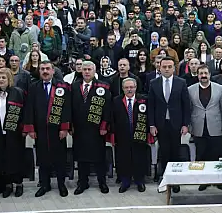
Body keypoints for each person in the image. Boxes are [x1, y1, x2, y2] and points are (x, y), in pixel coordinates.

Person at [23, 61, 72, 197]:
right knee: (43, 158)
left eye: (47, 69)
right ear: (39, 71)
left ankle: (61, 184)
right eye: (42, 69)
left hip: (57, 130)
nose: (45, 71)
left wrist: (64, 128)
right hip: (40, 130)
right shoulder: (34, 87)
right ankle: (45, 184)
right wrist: (30, 128)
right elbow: (29, 109)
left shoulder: (63, 87)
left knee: (60, 158)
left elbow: (67, 108)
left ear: (53, 71)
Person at [148, 57, 190, 192]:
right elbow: (151, 106)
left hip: (176, 123)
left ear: (174, 68)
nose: (166, 69)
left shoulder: (181, 82)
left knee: (175, 153)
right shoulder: (154, 83)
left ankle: (175, 180)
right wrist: (152, 125)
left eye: (169, 66)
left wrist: (185, 124)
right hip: (161, 124)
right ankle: (164, 178)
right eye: (164, 66)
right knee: (164, 152)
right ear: (159, 68)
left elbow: (186, 105)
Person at [70, 61, 112, 195]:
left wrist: (104, 125)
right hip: (79, 128)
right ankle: (83, 182)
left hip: (97, 128)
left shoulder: (103, 86)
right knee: (81, 157)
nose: (87, 72)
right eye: (85, 69)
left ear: (94, 71)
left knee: (99, 157)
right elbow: (70, 108)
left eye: (89, 69)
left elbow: (107, 109)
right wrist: (70, 125)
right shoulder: (74, 86)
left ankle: (102, 182)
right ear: (81, 71)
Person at [0, 68, 26, 198]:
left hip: (14, 133)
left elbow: (24, 113)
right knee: (1, 159)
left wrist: (24, 128)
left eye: (4, 78)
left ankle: (19, 183)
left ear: (9, 79)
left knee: (16, 158)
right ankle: (8, 184)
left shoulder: (18, 93)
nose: (1, 80)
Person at [188, 64, 222, 191]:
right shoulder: (190, 89)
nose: (203, 76)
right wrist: (189, 127)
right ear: (197, 75)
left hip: (215, 125)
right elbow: (189, 108)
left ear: (210, 74)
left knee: (216, 154)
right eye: (201, 74)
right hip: (198, 126)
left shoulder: (219, 88)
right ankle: (203, 181)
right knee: (201, 154)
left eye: (205, 73)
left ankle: (217, 180)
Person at [109, 77, 148, 193]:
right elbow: (112, 118)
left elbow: (149, 116)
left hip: (139, 135)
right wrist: (113, 134)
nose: (129, 90)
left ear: (135, 88)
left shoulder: (144, 100)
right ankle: (125, 181)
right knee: (123, 159)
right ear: (122, 89)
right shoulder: (116, 100)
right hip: (122, 135)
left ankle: (139, 181)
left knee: (139, 157)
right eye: (126, 87)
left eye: (131, 87)